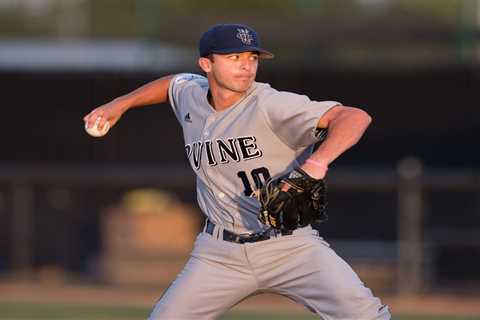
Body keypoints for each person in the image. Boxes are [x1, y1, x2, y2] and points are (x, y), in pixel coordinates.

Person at [84, 23, 391, 320]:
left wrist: (315, 165)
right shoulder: (192, 94)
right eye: (234, 58)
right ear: (206, 64)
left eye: (252, 58)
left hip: (290, 247)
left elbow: (353, 117)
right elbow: (172, 84)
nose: (246, 66)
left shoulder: (271, 104)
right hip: (219, 253)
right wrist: (120, 104)